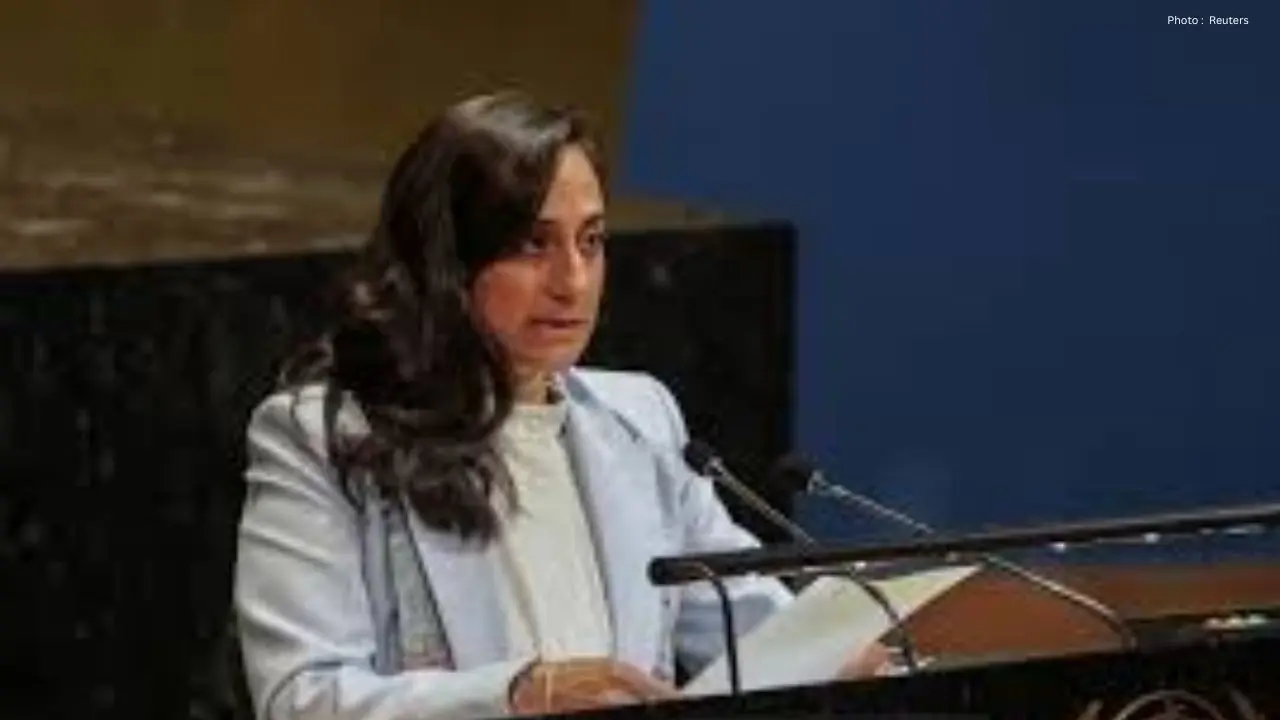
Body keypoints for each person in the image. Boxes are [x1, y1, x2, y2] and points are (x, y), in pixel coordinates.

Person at [234, 91, 881, 720]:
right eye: (532, 245)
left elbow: (756, 637)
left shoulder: (642, 419)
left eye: (590, 241)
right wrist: (517, 694)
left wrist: (852, 658)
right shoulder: (325, 437)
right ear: (448, 260)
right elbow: (302, 698)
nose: (572, 282)